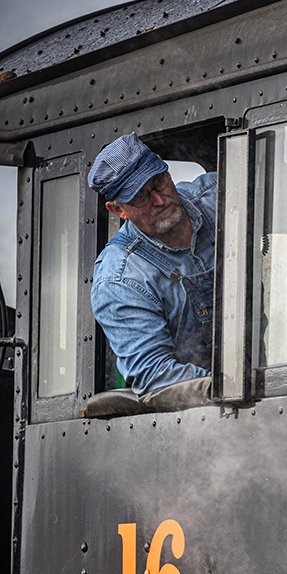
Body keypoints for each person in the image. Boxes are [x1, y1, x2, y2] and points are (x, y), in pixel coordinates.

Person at [89, 133, 217, 397]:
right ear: (118, 210)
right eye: (140, 198)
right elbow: (156, 374)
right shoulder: (120, 280)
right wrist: (234, 390)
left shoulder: (219, 195)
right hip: (207, 416)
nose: (159, 200)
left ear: (163, 166)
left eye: (159, 182)